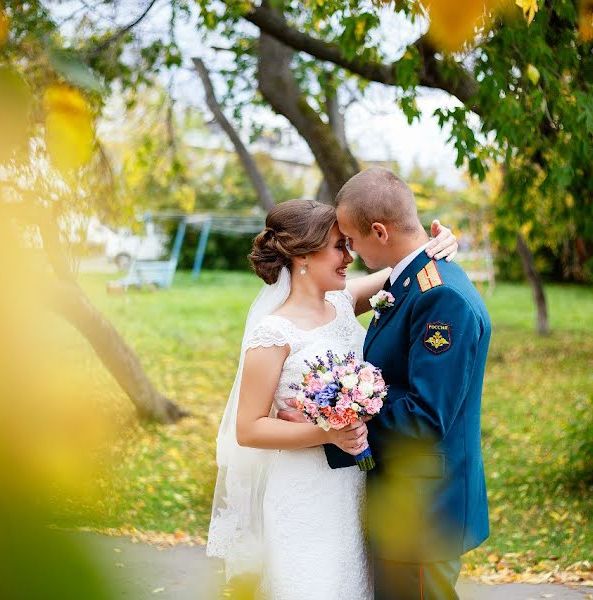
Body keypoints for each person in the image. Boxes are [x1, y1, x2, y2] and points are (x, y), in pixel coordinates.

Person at [206, 197, 459, 599]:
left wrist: (441, 243)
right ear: (303, 256)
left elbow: (404, 265)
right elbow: (248, 428)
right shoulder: (273, 334)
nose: (350, 257)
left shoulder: (342, 303)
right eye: (339, 246)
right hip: (305, 494)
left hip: (354, 490)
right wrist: (326, 433)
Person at [306, 167, 493, 600]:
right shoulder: (408, 280)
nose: (349, 252)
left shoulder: (438, 296)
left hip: (424, 507)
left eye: (351, 239)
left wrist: (338, 419)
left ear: (379, 231)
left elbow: (426, 415)